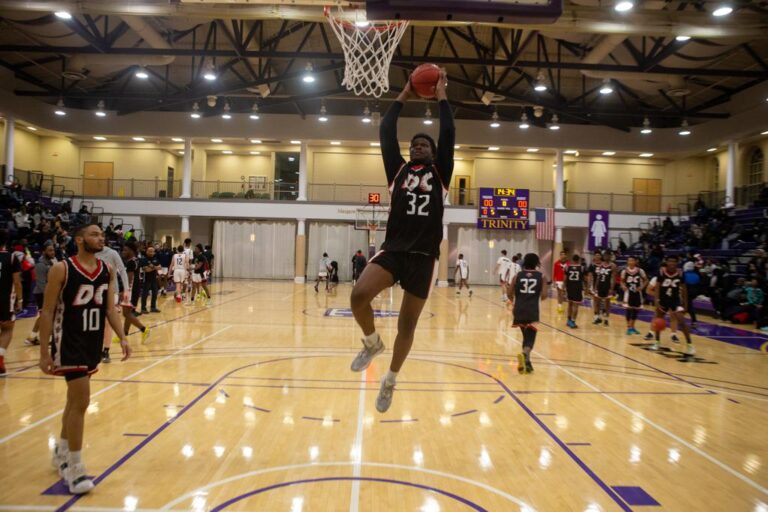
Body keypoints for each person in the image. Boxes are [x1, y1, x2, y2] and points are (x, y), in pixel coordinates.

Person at [349, 69, 453, 413]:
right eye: (414, 145)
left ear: (434, 153)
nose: (416, 146)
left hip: (423, 257)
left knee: (407, 326)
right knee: (359, 295)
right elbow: (385, 131)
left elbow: (449, 132)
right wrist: (405, 92)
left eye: (423, 144)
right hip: (393, 251)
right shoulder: (398, 172)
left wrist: (441, 96)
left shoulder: (440, 174)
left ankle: (390, 379)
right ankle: (371, 343)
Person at [38, 224, 131, 494]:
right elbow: (46, 312)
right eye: (94, 234)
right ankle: (75, 469)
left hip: (91, 343)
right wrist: (44, 351)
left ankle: (62, 452)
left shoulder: (107, 270)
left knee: (73, 401)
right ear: (79, 240)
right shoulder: (62, 269)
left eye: (102, 234)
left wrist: (122, 337)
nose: (100, 237)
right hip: (69, 342)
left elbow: (109, 309)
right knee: (82, 401)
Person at [508, 253, 547, 374]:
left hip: (519, 308)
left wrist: (517, 299)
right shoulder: (541, 276)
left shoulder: (517, 276)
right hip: (532, 309)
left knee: (525, 335)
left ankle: (528, 363)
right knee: (531, 337)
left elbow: (509, 293)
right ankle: (525, 354)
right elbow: (545, 295)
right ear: (537, 263)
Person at [650, 254, 695, 356]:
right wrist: (656, 300)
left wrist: (686, 304)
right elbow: (657, 287)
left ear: (677, 263)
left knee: (682, 322)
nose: (672, 263)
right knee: (659, 321)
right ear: (667, 262)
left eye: (674, 261)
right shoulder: (661, 272)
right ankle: (657, 342)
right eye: (670, 261)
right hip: (663, 299)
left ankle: (690, 345)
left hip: (675, 300)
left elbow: (684, 289)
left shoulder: (680, 273)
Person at [95, 243, 130, 363]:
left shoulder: (112, 253)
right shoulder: (90, 254)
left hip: (111, 290)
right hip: (95, 291)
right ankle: (94, 348)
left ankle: (106, 350)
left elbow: (122, 270)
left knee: (107, 322)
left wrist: (126, 289)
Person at [0, 230, 23, 374]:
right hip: (5, 299)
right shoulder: (12, 257)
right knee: (7, 328)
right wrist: (20, 300)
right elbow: (17, 281)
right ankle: (0, 358)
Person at [26, 241, 56, 346]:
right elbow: (41, 283)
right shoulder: (40, 264)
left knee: (46, 315)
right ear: (44, 252)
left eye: (53, 250)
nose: (53, 252)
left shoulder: (51, 262)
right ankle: (35, 336)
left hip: (48, 293)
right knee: (45, 315)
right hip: (42, 293)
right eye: (50, 250)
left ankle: (32, 336)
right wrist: (49, 295)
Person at [120, 242, 150, 343]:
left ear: (131, 251)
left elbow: (129, 278)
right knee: (128, 313)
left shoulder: (131, 262)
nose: (123, 252)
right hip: (135, 289)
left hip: (130, 290)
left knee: (126, 313)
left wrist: (123, 291)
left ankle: (144, 329)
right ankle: (124, 334)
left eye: (125, 250)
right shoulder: (137, 260)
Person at [621, 256, 648, 335]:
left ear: (635, 261)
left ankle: (632, 326)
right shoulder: (624, 271)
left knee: (636, 310)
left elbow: (646, 280)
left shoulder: (640, 271)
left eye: (632, 260)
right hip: (628, 292)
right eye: (629, 260)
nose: (631, 262)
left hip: (637, 292)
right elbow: (622, 281)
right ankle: (629, 327)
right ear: (627, 262)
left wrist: (642, 287)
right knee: (629, 309)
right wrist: (623, 286)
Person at [140, 246, 161, 314]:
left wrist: (152, 267)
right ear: (147, 252)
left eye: (152, 251)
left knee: (155, 293)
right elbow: (146, 270)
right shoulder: (144, 260)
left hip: (154, 279)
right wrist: (155, 267)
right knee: (145, 294)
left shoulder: (155, 259)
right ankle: (143, 308)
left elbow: (160, 267)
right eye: (150, 251)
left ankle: (153, 307)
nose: (151, 252)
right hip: (146, 279)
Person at [565, 254, 585, 329]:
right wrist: (586, 288)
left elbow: (565, 279)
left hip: (569, 288)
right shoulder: (582, 268)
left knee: (570, 304)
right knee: (575, 305)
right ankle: (573, 322)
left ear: (572, 260)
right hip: (577, 288)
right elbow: (585, 279)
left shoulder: (567, 267)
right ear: (578, 260)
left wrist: (564, 288)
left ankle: (568, 320)